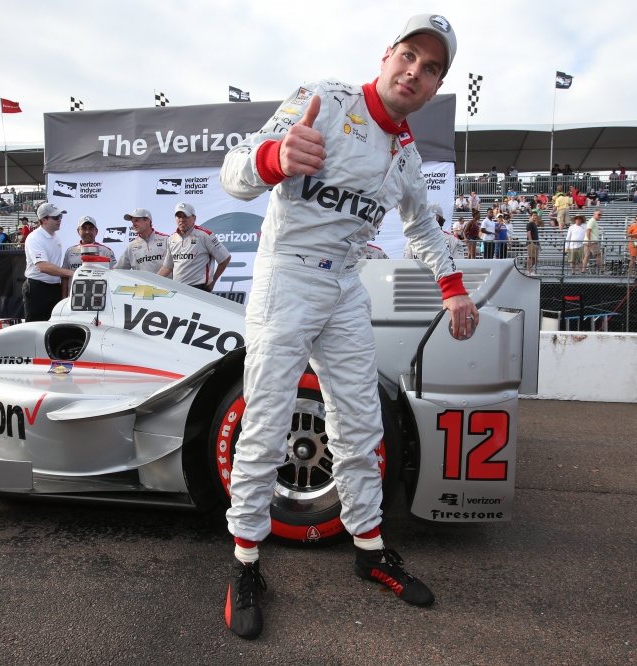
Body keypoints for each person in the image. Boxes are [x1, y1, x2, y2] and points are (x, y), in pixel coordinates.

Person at [219, 13, 477, 640]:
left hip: (344, 285)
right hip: (286, 276)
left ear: (437, 85)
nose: (416, 71)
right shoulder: (327, 100)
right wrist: (276, 157)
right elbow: (234, 175)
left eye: (432, 67)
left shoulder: (407, 153)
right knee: (268, 420)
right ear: (387, 55)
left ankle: (369, 551)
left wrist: (453, 288)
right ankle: (246, 564)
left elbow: (420, 226)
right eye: (409, 55)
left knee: (360, 423)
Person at [157, 203, 231, 291]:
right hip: (177, 289)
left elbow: (225, 258)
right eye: (179, 217)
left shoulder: (205, 235)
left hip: (199, 288)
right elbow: (168, 267)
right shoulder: (171, 238)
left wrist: (213, 281)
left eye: (185, 216)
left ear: (194, 218)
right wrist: (151, 282)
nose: (181, 220)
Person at [23, 202, 74, 322]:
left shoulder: (55, 236)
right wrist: (73, 273)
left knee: (54, 326)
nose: (59, 220)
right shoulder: (34, 238)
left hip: (53, 288)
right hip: (37, 288)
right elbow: (43, 266)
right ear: (44, 220)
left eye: (60, 216)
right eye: (56, 217)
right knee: (35, 328)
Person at [115, 208, 169, 273]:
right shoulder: (131, 246)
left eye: (136, 220)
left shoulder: (166, 240)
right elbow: (118, 271)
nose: (133, 225)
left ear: (147, 221)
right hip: (142, 283)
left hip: (164, 283)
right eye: (132, 222)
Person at [581, 208, 604, 274]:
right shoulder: (592, 221)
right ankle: (602, 269)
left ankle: (583, 270)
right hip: (592, 241)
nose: (600, 216)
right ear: (595, 214)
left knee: (587, 255)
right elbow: (588, 230)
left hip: (588, 241)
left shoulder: (592, 221)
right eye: (599, 214)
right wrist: (589, 240)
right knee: (598, 255)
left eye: (601, 215)